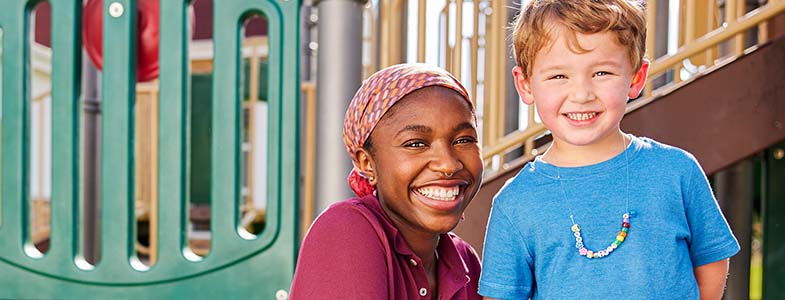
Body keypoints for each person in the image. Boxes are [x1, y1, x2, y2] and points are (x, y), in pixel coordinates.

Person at [478, 1, 740, 299]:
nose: (581, 94)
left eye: (601, 73)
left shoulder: (676, 171)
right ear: (525, 84)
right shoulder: (516, 203)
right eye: (558, 76)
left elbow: (711, 260)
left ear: (636, 78)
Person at [290, 63, 484, 300]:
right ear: (366, 163)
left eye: (463, 140)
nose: (448, 164)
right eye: (416, 144)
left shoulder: (465, 261)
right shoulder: (347, 230)